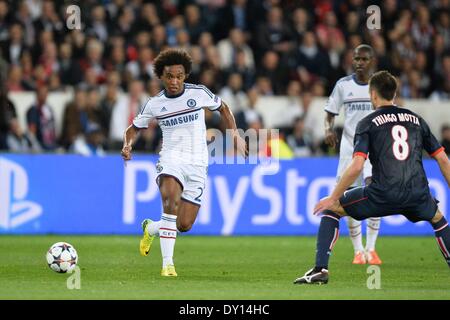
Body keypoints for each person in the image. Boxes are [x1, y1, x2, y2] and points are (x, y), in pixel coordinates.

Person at [294, 70, 450, 285]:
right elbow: (443, 160)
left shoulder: (368, 122)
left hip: (383, 193)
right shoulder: (417, 120)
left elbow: (357, 165)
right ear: (394, 93)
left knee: (332, 209)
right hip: (417, 193)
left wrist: (333, 197)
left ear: (373, 95)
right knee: (438, 220)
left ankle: (320, 270)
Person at [121, 48, 247, 277]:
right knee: (170, 202)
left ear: (185, 75)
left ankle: (151, 227)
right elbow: (133, 129)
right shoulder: (155, 104)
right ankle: (168, 265)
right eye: (170, 76)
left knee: (184, 225)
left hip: (198, 163)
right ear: (162, 76)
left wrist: (235, 135)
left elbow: (224, 109)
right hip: (171, 159)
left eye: (179, 76)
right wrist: (127, 145)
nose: (174, 81)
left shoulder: (199, 93)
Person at [324, 44, 382, 265]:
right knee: (348, 196)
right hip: (350, 148)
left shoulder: (380, 86)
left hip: (375, 149)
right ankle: (358, 251)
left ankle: (372, 248)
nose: (359, 62)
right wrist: (328, 129)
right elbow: (330, 113)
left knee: (376, 192)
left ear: (372, 61)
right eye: (356, 58)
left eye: (364, 59)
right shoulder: (343, 85)